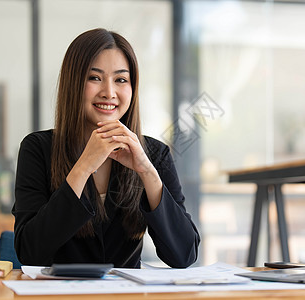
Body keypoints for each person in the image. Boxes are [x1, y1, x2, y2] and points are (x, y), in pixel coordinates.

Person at [12, 28, 200, 268]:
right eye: (94, 78)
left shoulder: (154, 154)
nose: (109, 93)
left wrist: (147, 172)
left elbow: (184, 255)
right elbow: (29, 252)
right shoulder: (38, 149)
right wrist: (83, 167)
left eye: (121, 80)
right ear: (73, 83)